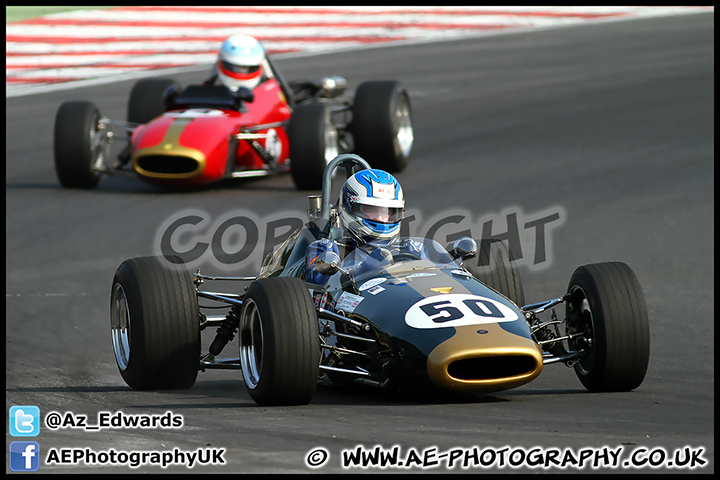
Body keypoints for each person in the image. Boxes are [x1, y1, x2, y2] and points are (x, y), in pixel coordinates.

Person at [305, 169, 428, 284]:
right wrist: (361, 271)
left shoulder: (410, 248)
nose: (380, 218)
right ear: (350, 208)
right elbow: (316, 286)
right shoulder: (328, 248)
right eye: (372, 210)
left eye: (388, 212)